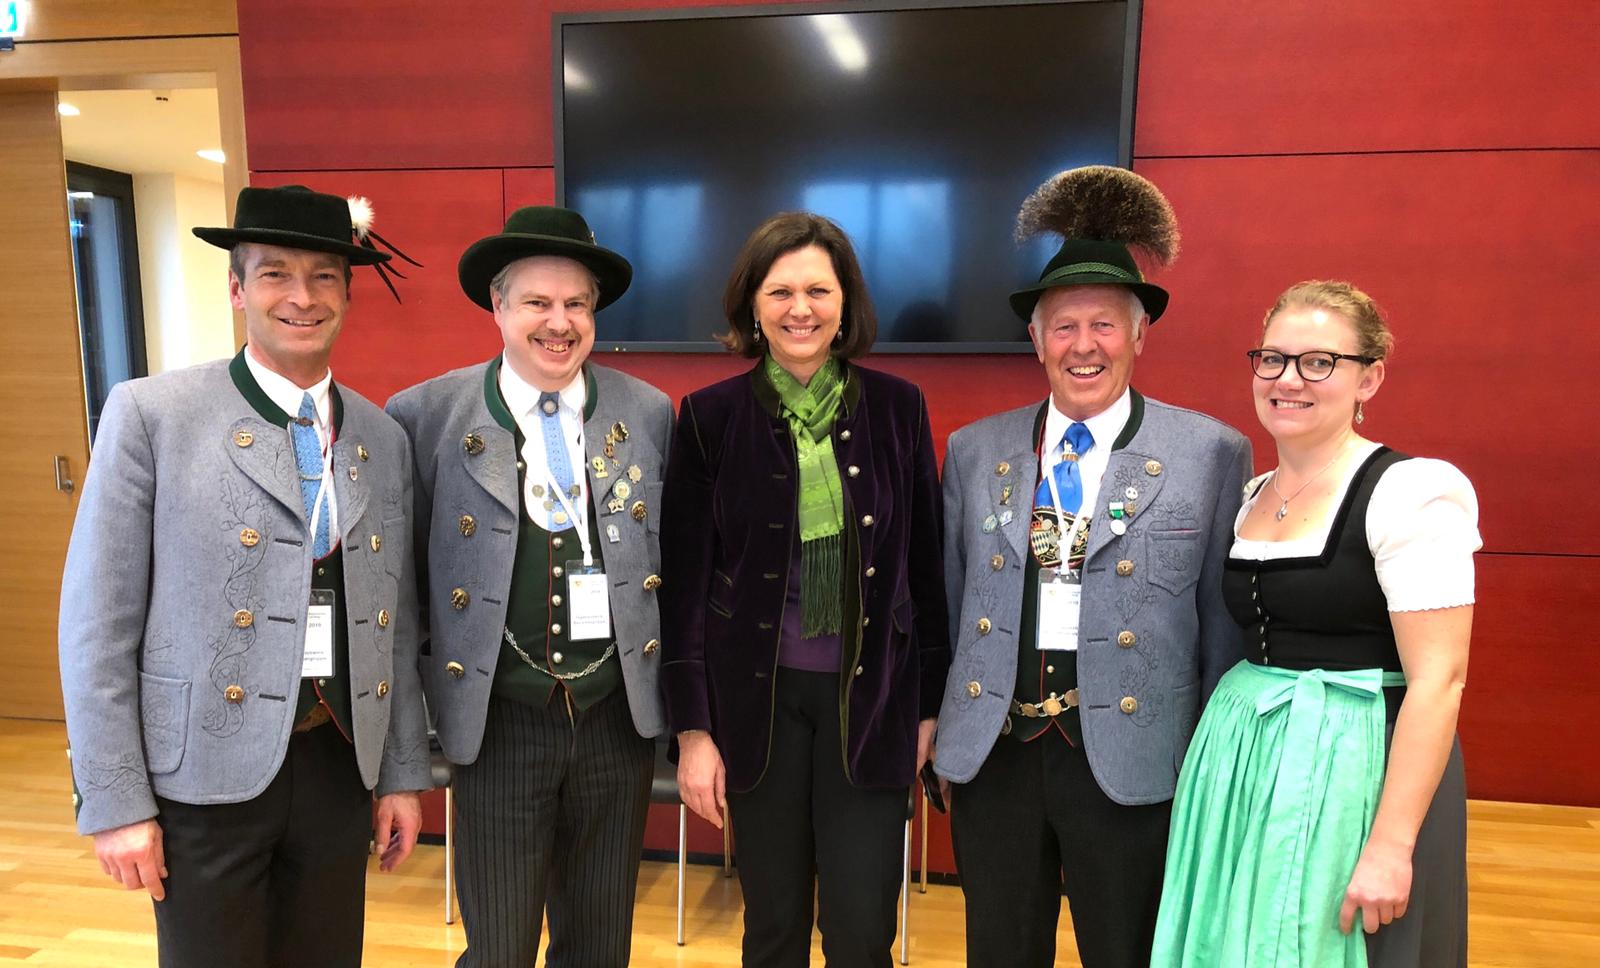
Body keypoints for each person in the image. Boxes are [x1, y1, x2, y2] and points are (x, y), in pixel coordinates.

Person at [58, 184, 433, 968]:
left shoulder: (381, 436)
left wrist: (401, 774)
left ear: (348, 294)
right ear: (237, 289)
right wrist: (115, 799)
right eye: (274, 274)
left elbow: (392, 625)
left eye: (324, 276)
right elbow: (97, 627)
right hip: (202, 770)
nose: (302, 297)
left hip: (337, 765)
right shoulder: (152, 415)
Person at [931, 166, 1252, 968]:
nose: (1084, 345)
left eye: (1105, 325)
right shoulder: (973, 451)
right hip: (996, 756)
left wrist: (1207, 769)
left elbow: (1222, 635)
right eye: (1064, 326)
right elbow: (949, 602)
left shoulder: (1210, 454)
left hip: (1134, 761)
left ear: (1139, 336)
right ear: (1036, 339)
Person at [1151, 281, 1476, 967]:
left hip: (1359, 767)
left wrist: (1391, 844)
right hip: (1246, 760)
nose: (1289, 379)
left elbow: (1439, 681)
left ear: (1369, 378)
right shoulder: (1252, 495)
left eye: (1319, 362)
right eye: (1272, 358)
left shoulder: (1411, 492)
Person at [660, 211, 950, 967]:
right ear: (751, 306)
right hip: (756, 710)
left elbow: (925, 569)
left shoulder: (899, 408)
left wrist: (929, 708)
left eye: (818, 290)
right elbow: (684, 589)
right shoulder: (709, 418)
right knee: (774, 930)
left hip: (874, 706)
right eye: (780, 291)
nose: (801, 309)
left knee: (861, 934)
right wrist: (693, 731)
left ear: (844, 303)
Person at [386, 205, 672, 968]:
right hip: (498, 723)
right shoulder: (425, 416)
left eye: (576, 304)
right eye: (537, 303)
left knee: (600, 946)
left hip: (615, 720)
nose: (559, 323)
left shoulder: (647, 413)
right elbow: (402, 596)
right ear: (498, 306)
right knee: (500, 948)